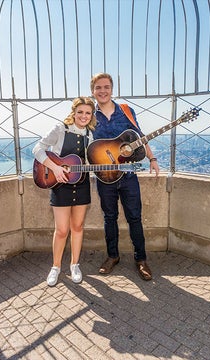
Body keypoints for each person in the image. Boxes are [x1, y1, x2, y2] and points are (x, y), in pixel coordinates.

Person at [90, 72, 159, 281]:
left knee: (134, 217)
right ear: (93, 91)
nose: (103, 91)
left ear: (112, 89)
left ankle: (141, 260)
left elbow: (140, 136)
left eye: (106, 87)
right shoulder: (89, 116)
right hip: (104, 176)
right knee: (109, 217)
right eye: (98, 88)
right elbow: (83, 143)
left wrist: (152, 158)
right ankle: (112, 256)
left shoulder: (127, 111)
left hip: (128, 175)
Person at [32, 96, 97, 286]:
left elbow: (88, 162)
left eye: (88, 113)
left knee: (77, 227)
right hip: (60, 185)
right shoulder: (60, 128)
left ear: (91, 115)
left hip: (82, 183)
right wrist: (54, 167)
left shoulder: (90, 135)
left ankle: (75, 265)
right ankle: (56, 267)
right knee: (61, 230)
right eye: (80, 112)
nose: (84, 116)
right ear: (74, 112)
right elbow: (38, 148)